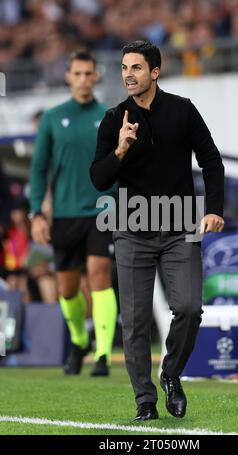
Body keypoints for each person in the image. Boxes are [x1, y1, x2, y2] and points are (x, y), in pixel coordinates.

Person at [90, 41, 224, 420]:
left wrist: (214, 209)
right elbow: (98, 179)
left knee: (189, 308)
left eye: (135, 67)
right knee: (134, 323)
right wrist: (120, 149)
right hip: (131, 230)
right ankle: (144, 402)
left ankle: (170, 374)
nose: (127, 74)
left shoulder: (183, 110)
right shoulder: (114, 118)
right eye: (123, 67)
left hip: (181, 227)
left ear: (155, 71)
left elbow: (212, 161)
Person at [30, 49, 117, 377]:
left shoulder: (109, 116)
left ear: (96, 77)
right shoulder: (53, 118)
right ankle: (80, 341)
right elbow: (39, 169)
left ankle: (104, 353)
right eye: (77, 74)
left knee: (98, 272)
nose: (83, 80)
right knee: (67, 288)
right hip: (64, 213)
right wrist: (36, 213)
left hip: (101, 208)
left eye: (88, 74)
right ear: (68, 76)